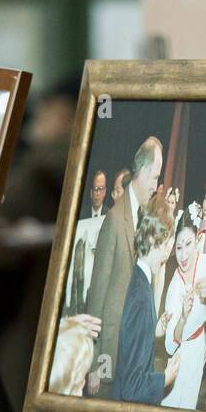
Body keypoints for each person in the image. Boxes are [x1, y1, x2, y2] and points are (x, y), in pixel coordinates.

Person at [83, 135, 163, 394]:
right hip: (108, 354)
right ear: (143, 172)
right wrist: (94, 364)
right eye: (155, 177)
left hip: (127, 351)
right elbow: (96, 295)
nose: (156, 184)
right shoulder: (115, 221)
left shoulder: (141, 214)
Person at [112, 193, 181, 404]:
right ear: (154, 240)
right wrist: (165, 378)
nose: (170, 250)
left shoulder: (139, 277)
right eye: (168, 242)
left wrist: (154, 330)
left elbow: (132, 340)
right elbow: (131, 386)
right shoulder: (140, 295)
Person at [160, 217, 206, 409]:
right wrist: (182, 319)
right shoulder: (174, 288)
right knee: (172, 408)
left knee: (190, 405)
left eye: (188, 244)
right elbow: (170, 346)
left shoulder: (205, 263)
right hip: (179, 355)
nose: (184, 254)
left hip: (198, 347)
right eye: (178, 248)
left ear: (197, 239)